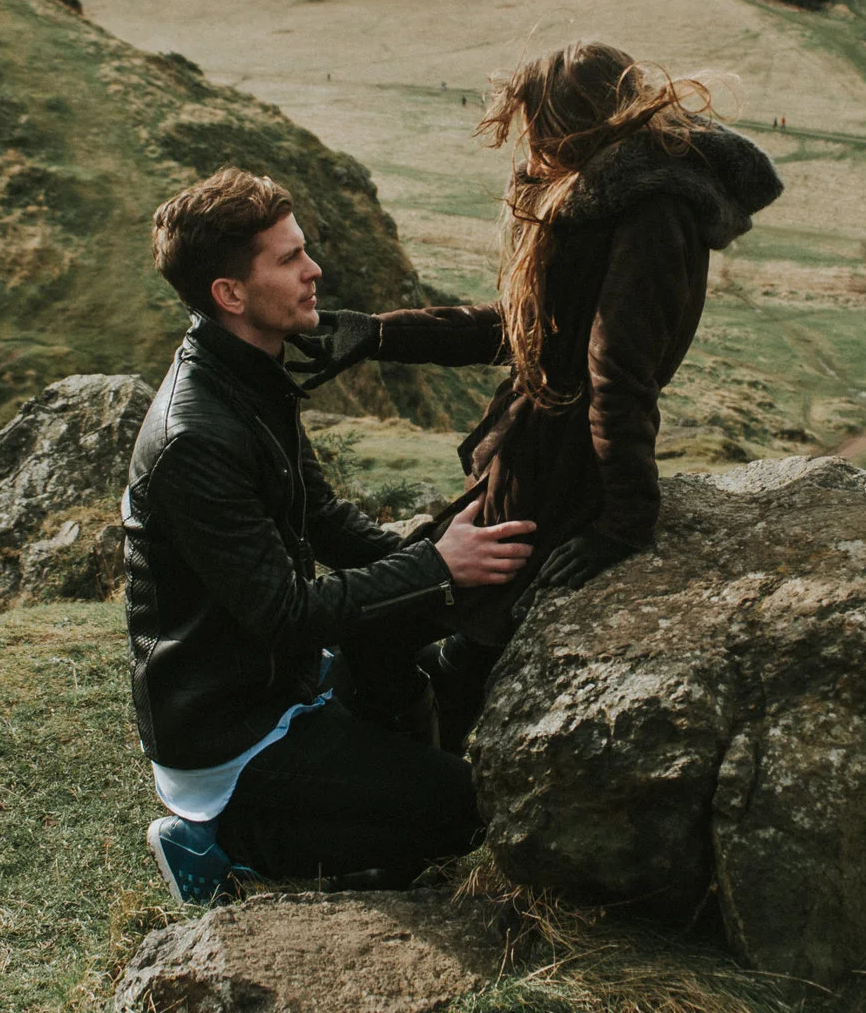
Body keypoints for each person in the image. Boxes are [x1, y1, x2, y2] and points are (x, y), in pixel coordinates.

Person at [286, 41, 783, 748]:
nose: (526, 145)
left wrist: (624, 524)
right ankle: (407, 797)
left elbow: (619, 374)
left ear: (570, 120)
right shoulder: (611, 196)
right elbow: (526, 332)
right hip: (532, 461)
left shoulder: (648, 213)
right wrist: (377, 334)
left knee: (422, 636)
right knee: (417, 632)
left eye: (534, 125)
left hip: (556, 477)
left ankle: (421, 818)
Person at [123, 168, 536, 903]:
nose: (315, 271)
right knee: (471, 814)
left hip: (277, 680)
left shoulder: (249, 376)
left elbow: (324, 521)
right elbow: (285, 611)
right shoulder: (196, 437)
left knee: (423, 704)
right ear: (230, 295)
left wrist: (443, 559)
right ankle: (226, 847)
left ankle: (358, 781)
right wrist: (436, 568)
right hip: (233, 733)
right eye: (288, 259)